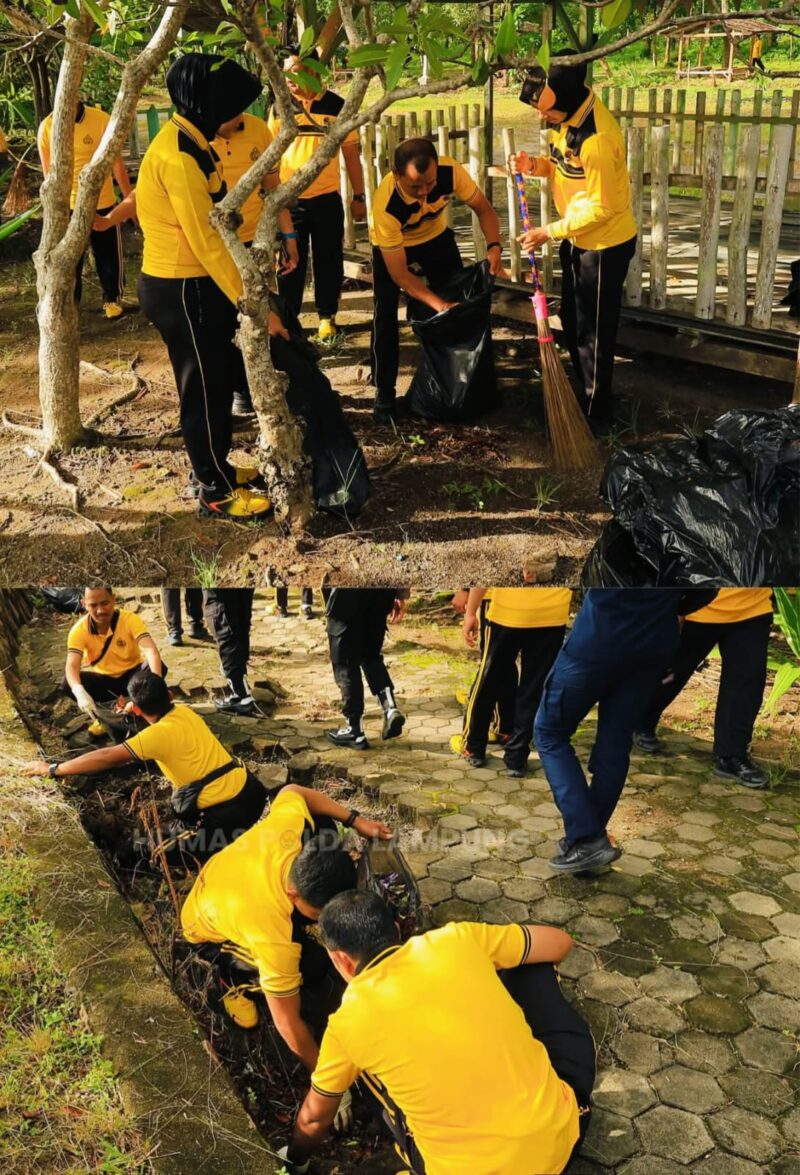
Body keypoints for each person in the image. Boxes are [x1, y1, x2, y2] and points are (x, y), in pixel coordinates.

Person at [281, 891, 595, 1175]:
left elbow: (314, 1119)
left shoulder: (347, 1023)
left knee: (363, 1073)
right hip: (565, 1136)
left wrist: (294, 1159)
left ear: (341, 960)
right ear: (397, 929)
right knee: (531, 962)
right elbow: (559, 942)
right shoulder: (457, 938)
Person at [135, 53, 290, 522]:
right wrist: (254, 302)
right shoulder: (178, 157)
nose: (241, 119)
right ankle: (211, 489)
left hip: (199, 284)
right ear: (205, 106)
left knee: (217, 379)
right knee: (202, 388)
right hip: (183, 288)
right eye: (232, 109)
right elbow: (205, 240)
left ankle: (215, 465)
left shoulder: (195, 139)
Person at [180, 785, 392, 1067]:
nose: (323, 921)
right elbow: (287, 1022)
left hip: (232, 879)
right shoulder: (270, 934)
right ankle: (233, 983)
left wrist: (356, 820)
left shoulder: (289, 831)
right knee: (310, 968)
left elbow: (294, 791)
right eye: (320, 914)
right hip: (207, 929)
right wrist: (325, 1081)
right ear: (294, 896)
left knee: (323, 823)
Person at [534, 588, 717, 874]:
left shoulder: (616, 541)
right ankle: (588, 842)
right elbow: (707, 586)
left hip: (600, 635)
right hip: (653, 643)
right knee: (616, 743)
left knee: (549, 732)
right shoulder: (687, 542)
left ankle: (586, 838)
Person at [510, 57, 637, 436]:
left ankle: (597, 414)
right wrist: (532, 164)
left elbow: (604, 208)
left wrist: (550, 231)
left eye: (545, 110)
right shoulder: (563, 120)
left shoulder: (597, 139)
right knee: (571, 317)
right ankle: (584, 391)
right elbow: (558, 165)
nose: (542, 118)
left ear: (563, 99)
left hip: (603, 244)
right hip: (576, 236)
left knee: (594, 331)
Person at [22, 670, 267, 864]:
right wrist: (133, 706)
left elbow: (107, 756)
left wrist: (54, 768)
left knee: (143, 848)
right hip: (253, 792)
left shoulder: (155, 737)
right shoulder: (185, 712)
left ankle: (215, 855)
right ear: (170, 696)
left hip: (225, 816)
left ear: (138, 709)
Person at [369, 137, 504, 424]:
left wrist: (494, 246)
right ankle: (384, 392)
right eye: (414, 187)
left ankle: (463, 383)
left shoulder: (450, 171)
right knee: (384, 316)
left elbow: (484, 209)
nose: (423, 192)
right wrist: (439, 303)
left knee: (462, 308)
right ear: (396, 175)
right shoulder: (387, 207)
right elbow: (400, 274)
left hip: (436, 238)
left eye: (428, 185)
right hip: (394, 248)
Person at [267, 50, 366, 343]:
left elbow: (350, 154)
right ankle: (290, 320)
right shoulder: (280, 107)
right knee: (289, 264)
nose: (289, 81)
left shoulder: (336, 106)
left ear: (312, 71)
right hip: (289, 202)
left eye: (294, 73)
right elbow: (270, 154)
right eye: (285, 74)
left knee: (329, 260)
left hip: (326, 198)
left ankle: (327, 318)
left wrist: (359, 196)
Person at [633, 588, 773, 790]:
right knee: (672, 671)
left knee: (746, 682)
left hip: (753, 608)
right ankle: (640, 720)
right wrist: (674, 607)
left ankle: (731, 756)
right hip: (697, 606)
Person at [211, 109, 300, 414]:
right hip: (214, 245)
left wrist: (288, 236)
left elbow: (274, 190)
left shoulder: (259, 129)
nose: (234, 122)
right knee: (223, 319)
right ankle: (236, 389)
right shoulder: (199, 136)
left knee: (259, 316)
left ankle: (257, 386)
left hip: (256, 242)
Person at [458, 587, 571, 777]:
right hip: (553, 612)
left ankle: (473, 745)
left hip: (508, 611)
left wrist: (471, 611)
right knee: (534, 688)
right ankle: (517, 756)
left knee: (488, 680)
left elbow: (487, 567)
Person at [37, 99, 131, 319]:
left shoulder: (101, 120)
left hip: (103, 202)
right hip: (68, 207)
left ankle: (112, 299)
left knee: (108, 255)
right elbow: (48, 173)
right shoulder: (47, 127)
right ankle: (71, 304)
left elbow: (116, 163)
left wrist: (129, 200)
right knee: (70, 260)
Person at [63, 587, 165, 736]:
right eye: (93, 605)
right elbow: (72, 665)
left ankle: (147, 707)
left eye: (105, 603)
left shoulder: (129, 619)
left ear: (113, 599)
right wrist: (78, 691)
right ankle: (104, 719)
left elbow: (151, 651)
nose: (100, 610)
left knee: (157, 667)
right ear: (84, 604)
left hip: (133, 678)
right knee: (68, 683)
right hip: (106, 681)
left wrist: (157, 686)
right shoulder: (78, 631)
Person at [324, 589, 407, 749]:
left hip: (348, 593)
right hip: (381, 592)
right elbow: (400, 562)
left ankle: (354, 730)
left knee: (345, 662)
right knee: (371, 656)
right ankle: (390, 708)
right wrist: (399, 593)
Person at [451, 588, 517, 747]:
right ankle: (506, 729)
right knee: (504, 664)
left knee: (490, 669)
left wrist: (465, 591)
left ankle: (472, 744)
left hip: (496, 600)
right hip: (532, 605)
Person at [203, 588, 258, 716]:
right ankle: (240, 692)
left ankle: (242, 696)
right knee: (238, 627)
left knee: (226, 631)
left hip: (221, 599)